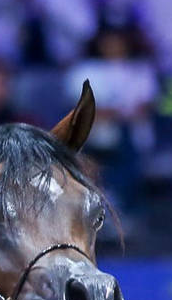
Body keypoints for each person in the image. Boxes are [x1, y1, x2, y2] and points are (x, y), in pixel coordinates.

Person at [67, 23, 157, 212]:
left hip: (134, 135)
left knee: (126, 140)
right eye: (108, 42)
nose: (113, 46)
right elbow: (83, 110)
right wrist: (120, 113)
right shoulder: (84, 70)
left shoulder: (140, 69)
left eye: (118, 41)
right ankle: (109, 203)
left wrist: (115, 113)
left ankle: (123, 205)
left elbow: (145, 107)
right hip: (93, 137)